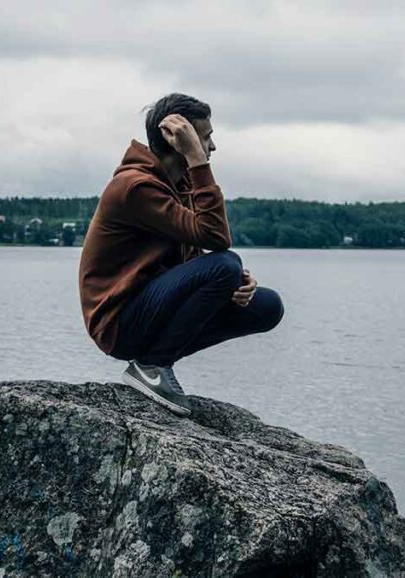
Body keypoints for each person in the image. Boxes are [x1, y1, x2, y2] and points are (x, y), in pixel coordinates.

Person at [78, 93, 285, 416]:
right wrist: (197, 160)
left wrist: (235, 284)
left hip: (150, 307)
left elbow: (197, 250)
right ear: (178, 141)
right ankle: (152, 366)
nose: (212, 147)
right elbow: (217, 238)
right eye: (205, 137)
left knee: (267, 306)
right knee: (225, 264)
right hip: (120, 321)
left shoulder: (178, 183)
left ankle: (156, 360)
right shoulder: (135, 187)